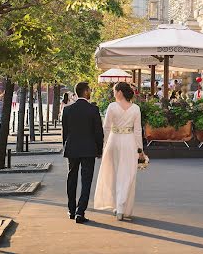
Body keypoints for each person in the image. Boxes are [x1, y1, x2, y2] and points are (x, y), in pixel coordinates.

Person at [94, 81, 144, 221]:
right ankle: (122, 208)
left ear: (120, 92)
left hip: (114, 141)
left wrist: (103, 145)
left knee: (115, 173)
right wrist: (140, 150)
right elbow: (138, 131)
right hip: (129, 142)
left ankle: (119, 206)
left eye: (114, 91)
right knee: (127, 174)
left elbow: (106, 128)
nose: (113, 93)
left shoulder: (112, 107)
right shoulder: (135, 109)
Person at [62, 81, 103, 224]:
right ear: (85, 92)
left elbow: (65, 133)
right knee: (86, 181)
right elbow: (99, 132)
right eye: (90, 90)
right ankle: (80, 211)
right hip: (89, 149)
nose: (91, 92)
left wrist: (65, 147)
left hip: (72, 149)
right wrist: (99, 150)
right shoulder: (93, 110)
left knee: (71, 178)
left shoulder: (67, 110)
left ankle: (71, 209)